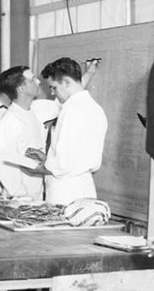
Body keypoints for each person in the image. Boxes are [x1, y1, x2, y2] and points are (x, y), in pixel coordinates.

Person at [27, 57, 108, 204]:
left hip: (65, 191)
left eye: (53, 87)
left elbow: (63, 165)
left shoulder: (72, 111)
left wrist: (38, 168)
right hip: (84, 187)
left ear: (66, 82)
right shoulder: (96, 108)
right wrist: (47, 158)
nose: (52, 93)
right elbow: (76, 154)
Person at [0, 66, 45, 200]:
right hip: (20, 197)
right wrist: (20, 194)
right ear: (21, 88)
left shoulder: (32, 112)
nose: (38, 81)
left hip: (36, 191)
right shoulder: (10, 120)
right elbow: (2, 158)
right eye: (32, 79)